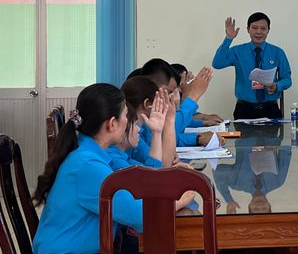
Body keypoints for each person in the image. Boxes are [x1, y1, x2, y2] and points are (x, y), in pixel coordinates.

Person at [31, 83, 196, 254]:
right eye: (125, 115)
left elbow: (142, 187)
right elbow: (140, 216)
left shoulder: (89, 154)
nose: (128, 121)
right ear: (112, 124)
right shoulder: (88, 166)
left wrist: (157, 134)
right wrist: (180, 200)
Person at [212, 13, 292, 119]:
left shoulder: (277, 52)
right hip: (244, 110)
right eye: (254, 28)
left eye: (263, 28)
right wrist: (228, 39)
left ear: (268, 30)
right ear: (248, 29)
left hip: (270, 109)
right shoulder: (238, 51)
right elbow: (217, 63)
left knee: (273, 131)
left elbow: (287, 79)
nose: (258, 32)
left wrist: (276, 86)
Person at [171, 62, 224, 127]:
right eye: (182, 82)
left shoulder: (181, 95)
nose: (186, 84)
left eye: (187, 80)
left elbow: (192, 115)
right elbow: (179, 121)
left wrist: (204, 117)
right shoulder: (171, 97)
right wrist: (187, 95)